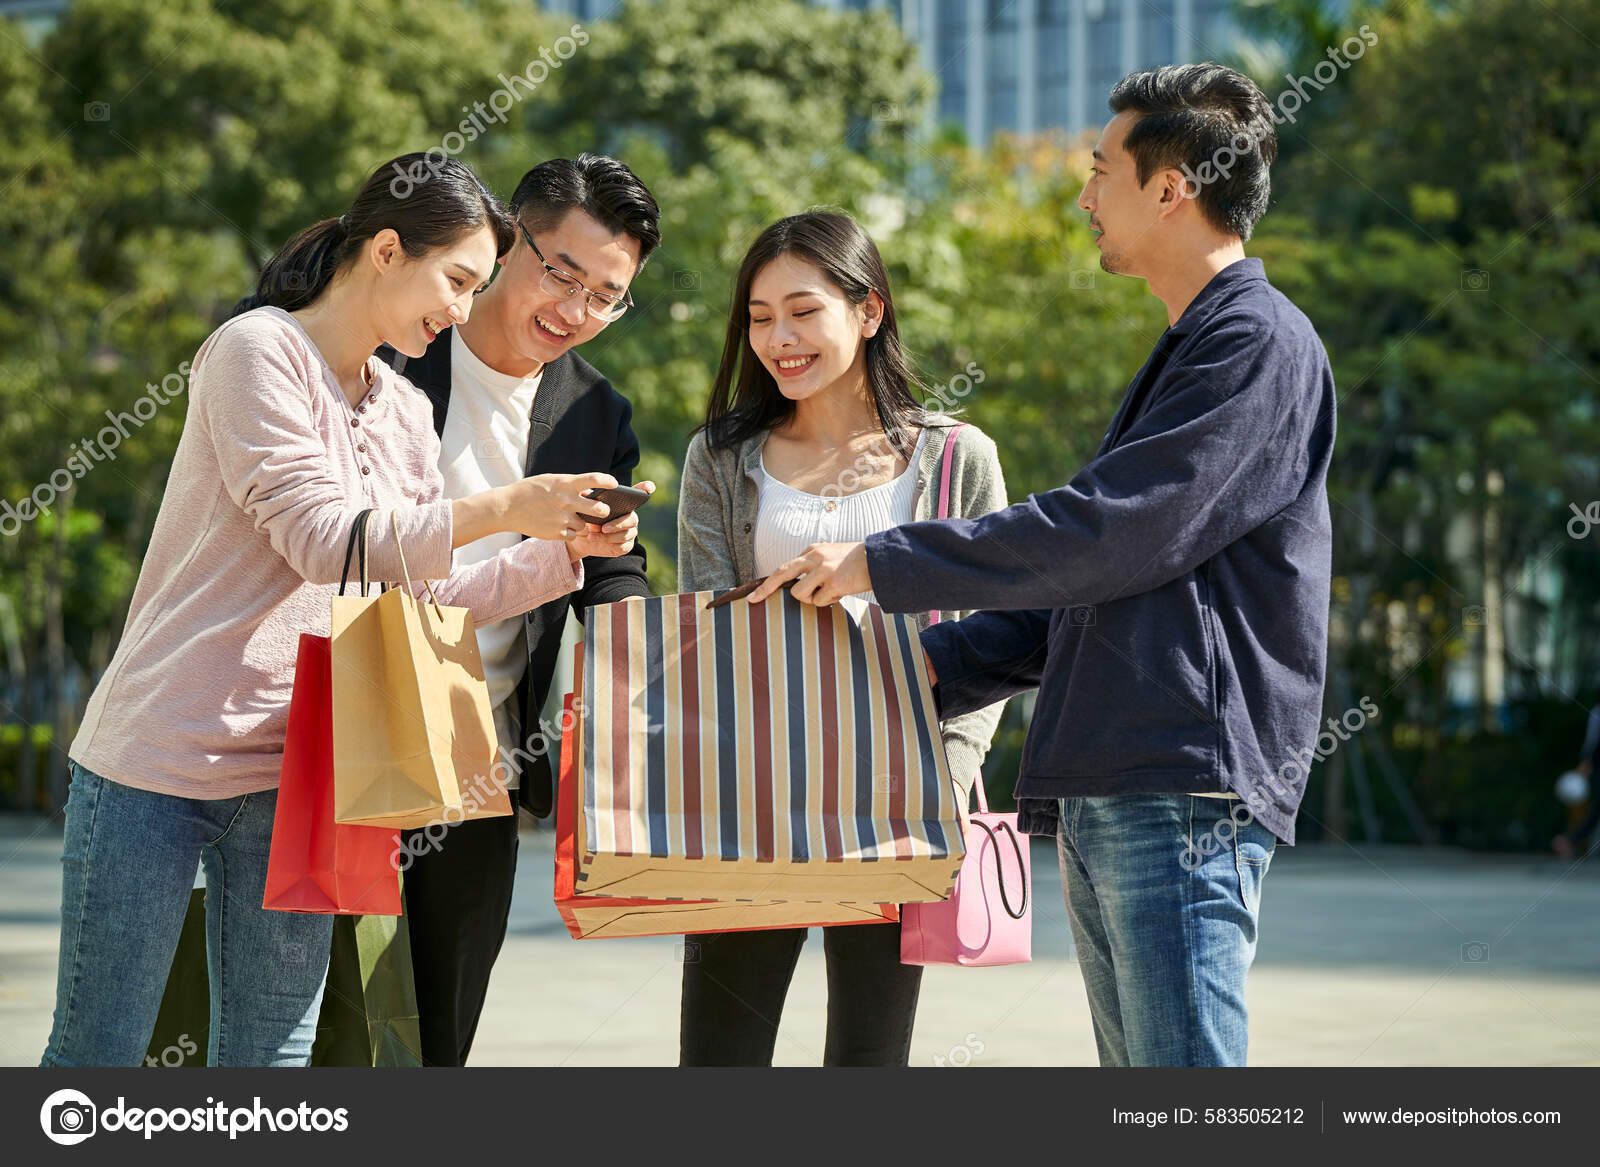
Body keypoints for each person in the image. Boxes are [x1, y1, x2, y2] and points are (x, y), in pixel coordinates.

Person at [752, 64, 1336, 1067]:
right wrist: (918, 673)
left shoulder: (1254, 342)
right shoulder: (1192, 344)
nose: (1082, 195)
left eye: (1099, 170)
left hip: (1180, 776)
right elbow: (1095, 582)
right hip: (1127, 773)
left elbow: (1107, 534)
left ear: (1171, 187)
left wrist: (879, 564)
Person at [42, 153, 640, 1068]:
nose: (459, 309)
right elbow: (326, 539)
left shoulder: (401, 405)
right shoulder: (256, 351)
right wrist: (506, 509)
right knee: (101, 1054)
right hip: (159, 760)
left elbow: (418, 599)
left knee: (273, 1057)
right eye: (457, 281)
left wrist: (560, 556)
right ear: (388, 249)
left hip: (307, 772)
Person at [675, 210, 1008, 1066]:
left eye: (801, 310)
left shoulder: (957, 456)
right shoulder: (718, 457)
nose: (778, 338)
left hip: (898, 799)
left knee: (869, 1056)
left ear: (869, 311)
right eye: (757, 317)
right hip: (750, 794)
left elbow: (995, 633)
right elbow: (704, 628)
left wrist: (952, 778)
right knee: (720, 1055)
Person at [377, 154, 660, 1067]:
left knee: (439, 1034)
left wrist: (649, 653)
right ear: (507, 242)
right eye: (561, 273)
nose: (575, 310)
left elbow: (608, 572)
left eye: (606, 296)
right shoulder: (397, 350)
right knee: (320, 1019)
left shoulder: (594, 411)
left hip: (479, 763)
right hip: (340, 726)